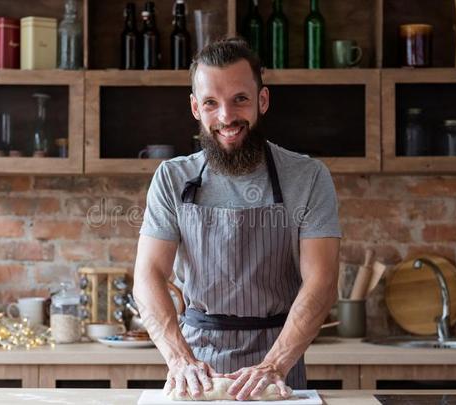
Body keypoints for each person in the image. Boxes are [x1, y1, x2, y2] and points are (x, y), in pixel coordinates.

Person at [133, 38, 341, 401]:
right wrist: (180, 359)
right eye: (212, 103)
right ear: (196, 108)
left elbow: (321, 283)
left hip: (280, 368)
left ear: (262, 100)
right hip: (197, 371)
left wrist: (274, 365)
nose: (227, 117)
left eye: (240, 99)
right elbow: (148, 275)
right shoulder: (171, 178)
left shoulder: (307, 177)